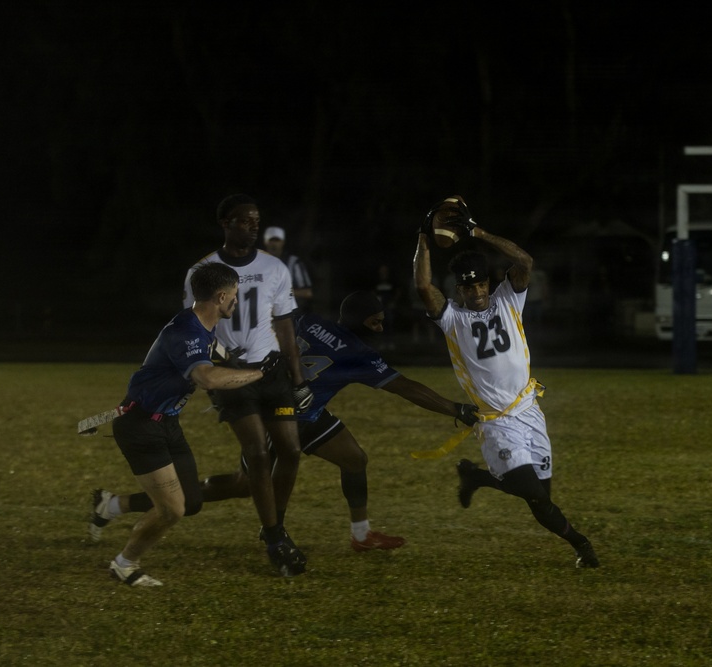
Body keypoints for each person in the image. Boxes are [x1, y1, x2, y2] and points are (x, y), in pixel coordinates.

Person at [93, 291, 480, 553]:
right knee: (243, 486)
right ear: (362, 321)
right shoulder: (358, 352)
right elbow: (405, 387)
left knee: (354, 458)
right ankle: (116, 505)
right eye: (376, 322)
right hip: (279, 416)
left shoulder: (307, 320)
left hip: (304, 412)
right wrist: (455, 409)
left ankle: (361, 535)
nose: (381, 328)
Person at [412, 196, 600, 569]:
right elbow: (423, 287)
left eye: (481, 284)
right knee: (534, 495)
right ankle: (582, 544)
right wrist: (423, 236)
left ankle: (476, 478)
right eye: (469, 288)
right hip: (495, 421)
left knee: (541, 495)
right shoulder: (453, 319)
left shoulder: (508, 300)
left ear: (489, 282)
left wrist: (478, 232)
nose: (477, 293)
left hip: (529, 410)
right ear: (459, 290)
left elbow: (524, 262)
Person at [96, 262, 274, 587]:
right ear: (221, 297)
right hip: (140, 426)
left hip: (167, 423)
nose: (237, 300)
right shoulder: (185, 331)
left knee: (191, 502)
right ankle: (124, 564)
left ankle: (111, 505)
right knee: (172, 510)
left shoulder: (202, 325)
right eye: (234, 295)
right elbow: (206, 378)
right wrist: (259, 374)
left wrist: (244, 362)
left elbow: (216, 352)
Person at [183, 194, 313, 576]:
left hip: (271, 372)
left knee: (290, 450)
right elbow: (193, 325)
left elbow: (285, 324)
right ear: (225, 223)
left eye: (256, 221)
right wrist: (217, 357)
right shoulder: (202, 270)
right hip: (231, 375)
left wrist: (298, 377)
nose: (253, 227)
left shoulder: (275, 267)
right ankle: (275, 540)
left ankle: (275, 523)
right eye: (245, 221)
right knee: (257, 454)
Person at [263, 225, 314, 313]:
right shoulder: (259, 263)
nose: (274, 244)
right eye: (271, 240)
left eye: (277, 240)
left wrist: (282, 292)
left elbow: (307, 293)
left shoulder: (294, 263)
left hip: (290, 313)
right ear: (265, 242)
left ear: (283, 242)